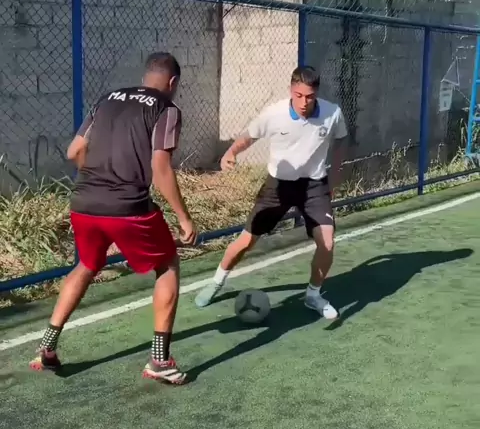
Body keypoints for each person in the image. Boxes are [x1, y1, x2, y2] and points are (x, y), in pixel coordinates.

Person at [29, 52, 197, 385]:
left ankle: (46, 347)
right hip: (127, 208)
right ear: (173, 82)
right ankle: (159, 360)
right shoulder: (166, 108)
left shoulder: (107, 99)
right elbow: (160, 168)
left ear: (146, 76)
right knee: (167, 265)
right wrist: (184, 217)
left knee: (87, 265)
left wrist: (96, 181)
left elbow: (74, 151)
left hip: (84, 202)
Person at [195, 65, 347, 319]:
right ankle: (217, 282)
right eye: (298, 95)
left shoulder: (333, 113)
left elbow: (341, 141)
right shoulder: (274, 114)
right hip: (278, 186)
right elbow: (249, 136)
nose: (304, 102)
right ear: (291, 90)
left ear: (317, 93)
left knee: (327, 242)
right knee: (246, 241)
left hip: (314, 186)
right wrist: (231, 152)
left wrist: (336, 178)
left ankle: (313, 295)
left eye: (309, 97)